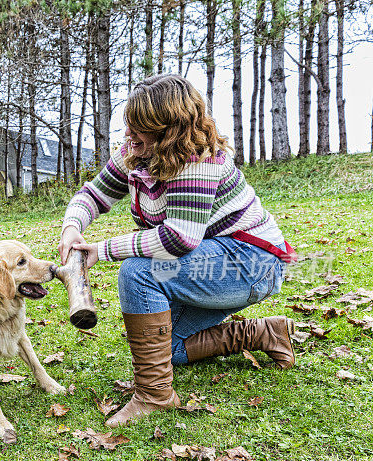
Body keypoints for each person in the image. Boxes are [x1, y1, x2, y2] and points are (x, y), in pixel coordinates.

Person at [58, 74, 296, 427]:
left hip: (248, 263)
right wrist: (72, 227)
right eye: (130, 124)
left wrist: (103, 250)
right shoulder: (137, 153)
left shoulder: (197, 162)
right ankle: (264, 333)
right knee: (167, 350)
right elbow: (94, 194)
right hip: (209, 259)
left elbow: (178, 240)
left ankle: (155, 396)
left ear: (169, 130)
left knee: (139, 273)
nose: (129, 134)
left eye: (141, 128)